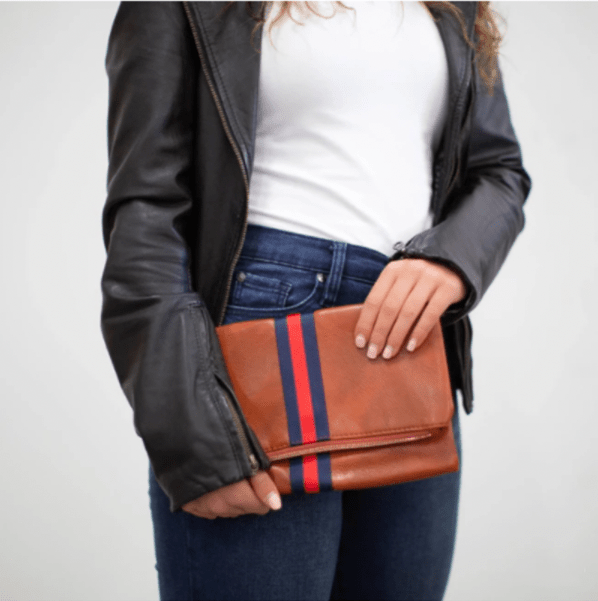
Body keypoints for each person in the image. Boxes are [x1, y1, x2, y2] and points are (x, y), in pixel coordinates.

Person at [100, 1, 531, 599]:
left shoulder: (453, 7)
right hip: (256, 333)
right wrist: (187, 429)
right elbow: (146, 208)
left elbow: (499, 170)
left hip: (409, 339)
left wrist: (450, 258)